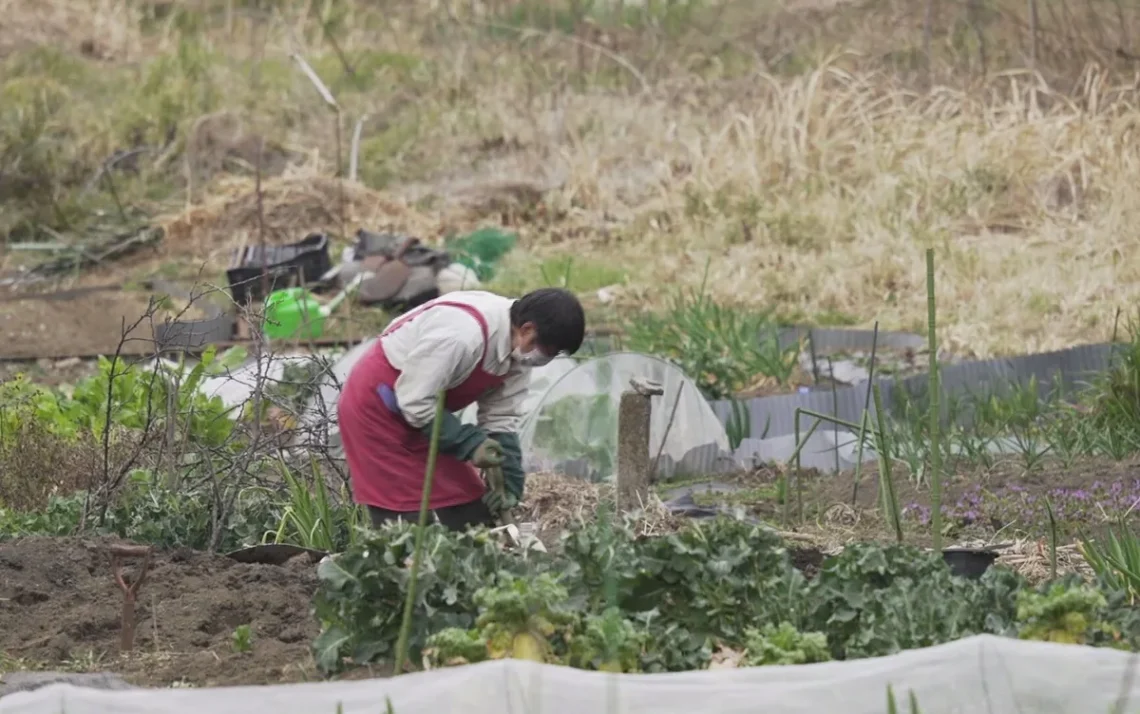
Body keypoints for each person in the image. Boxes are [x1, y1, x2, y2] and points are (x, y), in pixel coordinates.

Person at [337, 287, 586, 531]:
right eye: (548, 351)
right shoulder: (462, 335)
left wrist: (509, 480)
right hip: (378, 406)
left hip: (427, 414)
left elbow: (501, 416)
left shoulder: (519, 350)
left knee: (469, 506)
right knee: (403, 521)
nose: (545, 359)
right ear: (527, 329)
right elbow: (414, 400)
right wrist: (470, 443)